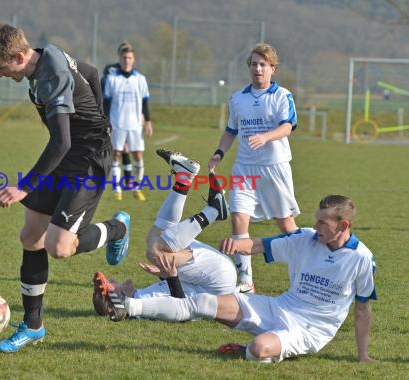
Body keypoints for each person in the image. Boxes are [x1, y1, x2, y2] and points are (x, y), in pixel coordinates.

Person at [0, 24, 131, 353]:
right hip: (65, 153)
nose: (1, 75)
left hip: (87, 159)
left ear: (19, 57)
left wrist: (24, 186)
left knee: (59, 247)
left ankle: (117, 229)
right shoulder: (47, 54)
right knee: (30, 236)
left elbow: (61, 141)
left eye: (2, 68)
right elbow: (91, 74)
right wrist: (98, 115)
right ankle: (33, 325)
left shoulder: (51, 76)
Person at [111, 195, 376, 363]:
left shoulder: (361, 258)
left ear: (343, 226)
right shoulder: (305, 238)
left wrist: (363, 355)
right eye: (316, 221)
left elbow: (363, 309)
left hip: (310, 329)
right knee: (203, 301)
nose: (315, 227)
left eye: (323, 223)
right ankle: (128, 306)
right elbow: (259, 245)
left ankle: (249, 350)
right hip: (281, 307)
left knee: (258, 349)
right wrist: (236, 245)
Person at [93, 149, 235, 320]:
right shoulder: (139, 302)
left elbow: (183, 293)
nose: (113, 279)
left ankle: (184, 178)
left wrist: (163, 273)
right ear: (120, 297)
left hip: (216, 277)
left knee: (159, 238)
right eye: (113, 285)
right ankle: (213, 211)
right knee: (155, 251)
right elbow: (183, 309)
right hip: (218, 280)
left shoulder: (142, 296)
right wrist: (171, 277)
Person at [208, 42, 300, 294]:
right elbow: (231, 130)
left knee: (286, 226)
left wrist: (266, 137)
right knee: (238, 217)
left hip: (274, 167)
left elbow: (288, 126)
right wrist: (219, 153)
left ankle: (303, 273)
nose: (258, 69)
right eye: (254, 64)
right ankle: (246, 281)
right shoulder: (238, 98)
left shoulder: (282, 96)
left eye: (263, 64)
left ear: (273, 68)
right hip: (244, 168)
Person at [103, 41, 153, 201]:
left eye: (130, 58)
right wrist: (105, 121)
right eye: (124, 57)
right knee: (116, 155)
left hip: (135, 125)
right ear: (120, 58)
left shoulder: (140, 79)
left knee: (138, 155)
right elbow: (106, 102)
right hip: (116, 123)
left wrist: (148, 122)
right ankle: (117, 189)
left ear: (134, 59)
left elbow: (145, 101)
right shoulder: (112, 79)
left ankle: (137, 188)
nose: (127, 60)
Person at [101, 60, 133, 189]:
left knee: (122, 149)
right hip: (111, 119)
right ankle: (120, 182)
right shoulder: (107, 79)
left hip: (121, 119)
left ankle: (125, 181)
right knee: (117, 150)